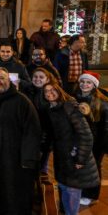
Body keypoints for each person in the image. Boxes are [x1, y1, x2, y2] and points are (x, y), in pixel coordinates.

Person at [0, 67, 42, 215]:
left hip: (12, 160)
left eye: (1, 78)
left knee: (10, 195)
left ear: (9, 80)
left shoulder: (22, 101)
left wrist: (28, 161)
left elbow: (32, 132)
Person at [44, 83, 100, 215]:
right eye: (46, 91)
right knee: (64, 189)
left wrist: (80, 159)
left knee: (72, 193)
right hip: (63, 159)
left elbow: (86, 135)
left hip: (75, 159)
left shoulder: (69, 106)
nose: (49, 93)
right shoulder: (52, 109)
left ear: (59, 91)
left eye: (52, 89)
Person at [74, 71, 108, 205]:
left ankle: (91, 194)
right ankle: (80, 190)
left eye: (88, 82)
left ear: (94, 85)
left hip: (96, 143)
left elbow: (105, 128)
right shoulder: (74, 97)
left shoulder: (103, 103)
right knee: (80, 167)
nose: (84, 85)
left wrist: (102, 146)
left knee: (93, 169)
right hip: (79, 140)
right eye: (82, 82)